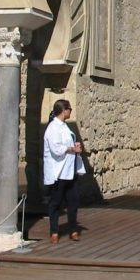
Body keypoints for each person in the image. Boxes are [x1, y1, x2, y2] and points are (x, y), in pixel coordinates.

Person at [43, 99, 85, 243]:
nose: (70, 111)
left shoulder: (65, 127)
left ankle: (73, 229)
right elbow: (56, 148)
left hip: (69, 170)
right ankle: (54, 231)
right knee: (55, 202)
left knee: (73, 201)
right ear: (64, 110)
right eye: (69, 109)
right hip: (58, 172)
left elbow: (66, 144)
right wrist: (72, 148)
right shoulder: (53, 127)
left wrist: (75, 146)